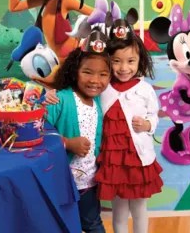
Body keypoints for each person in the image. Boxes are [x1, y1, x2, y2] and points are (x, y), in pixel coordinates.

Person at [95, 15, 163, 233]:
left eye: (130, 61)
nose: (124, 68)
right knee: (119, 211)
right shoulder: (103, 88)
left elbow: (154, 115)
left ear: (139, 60)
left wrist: (147, 124)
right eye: (116, 61)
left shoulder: (145, 89)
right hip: (113, 162)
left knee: (139, 208)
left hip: (138, 160)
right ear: (107, 60)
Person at [45, 29, 111, 233]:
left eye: (103, 74)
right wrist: (67, 143)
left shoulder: (98, 101)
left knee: (93, 224)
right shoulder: (60, 99)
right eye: (87, 72)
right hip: (61, 182)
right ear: (74, 71)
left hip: (89, 182)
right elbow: (38, 132)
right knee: (62, 226)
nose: (95, 80)